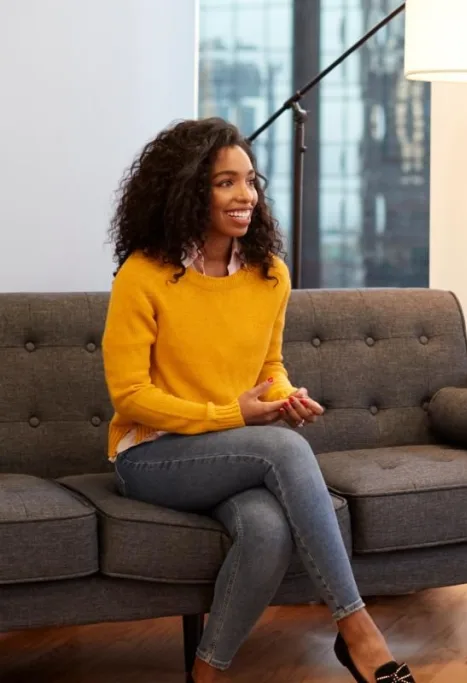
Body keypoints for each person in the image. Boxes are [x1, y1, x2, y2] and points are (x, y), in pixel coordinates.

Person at [102, 118, 416, 683]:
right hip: (152, 456)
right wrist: (234, 415)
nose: (245, 195)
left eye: (250, 180)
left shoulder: (269, 275)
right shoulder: (143, 275)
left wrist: (284, 394)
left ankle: (206, 672)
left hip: (230, 449)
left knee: (267, 530)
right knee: (284, 450)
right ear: (187, 189)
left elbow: (267, 366)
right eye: (225, 182)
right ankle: (358, 630)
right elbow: (129, 395)